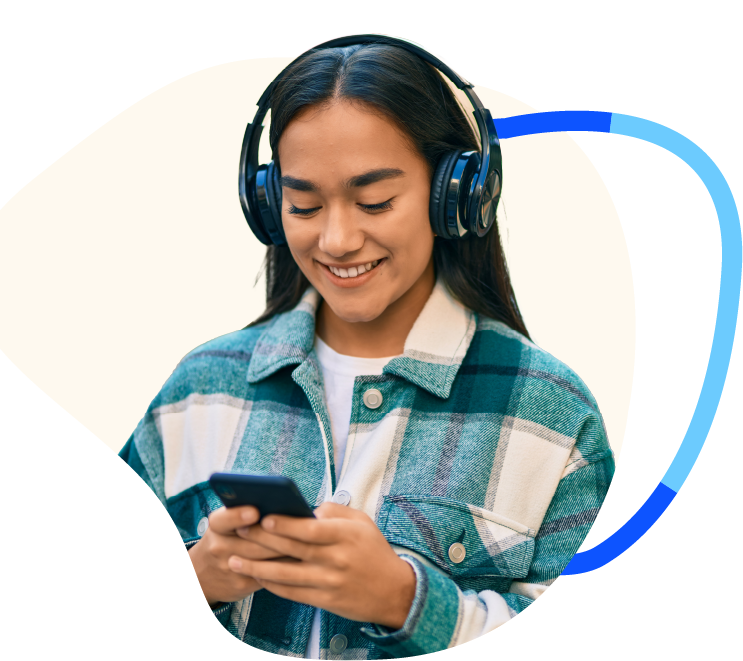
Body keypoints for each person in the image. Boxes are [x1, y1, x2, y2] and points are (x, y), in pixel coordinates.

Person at [120, 35, 614, 659]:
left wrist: (403, 601)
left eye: (375, 201)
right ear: (270, 206)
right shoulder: (198, 392)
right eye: (303, 204)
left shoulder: (553, 415)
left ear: (455, 194)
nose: (336, 239)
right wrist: (197, 580)